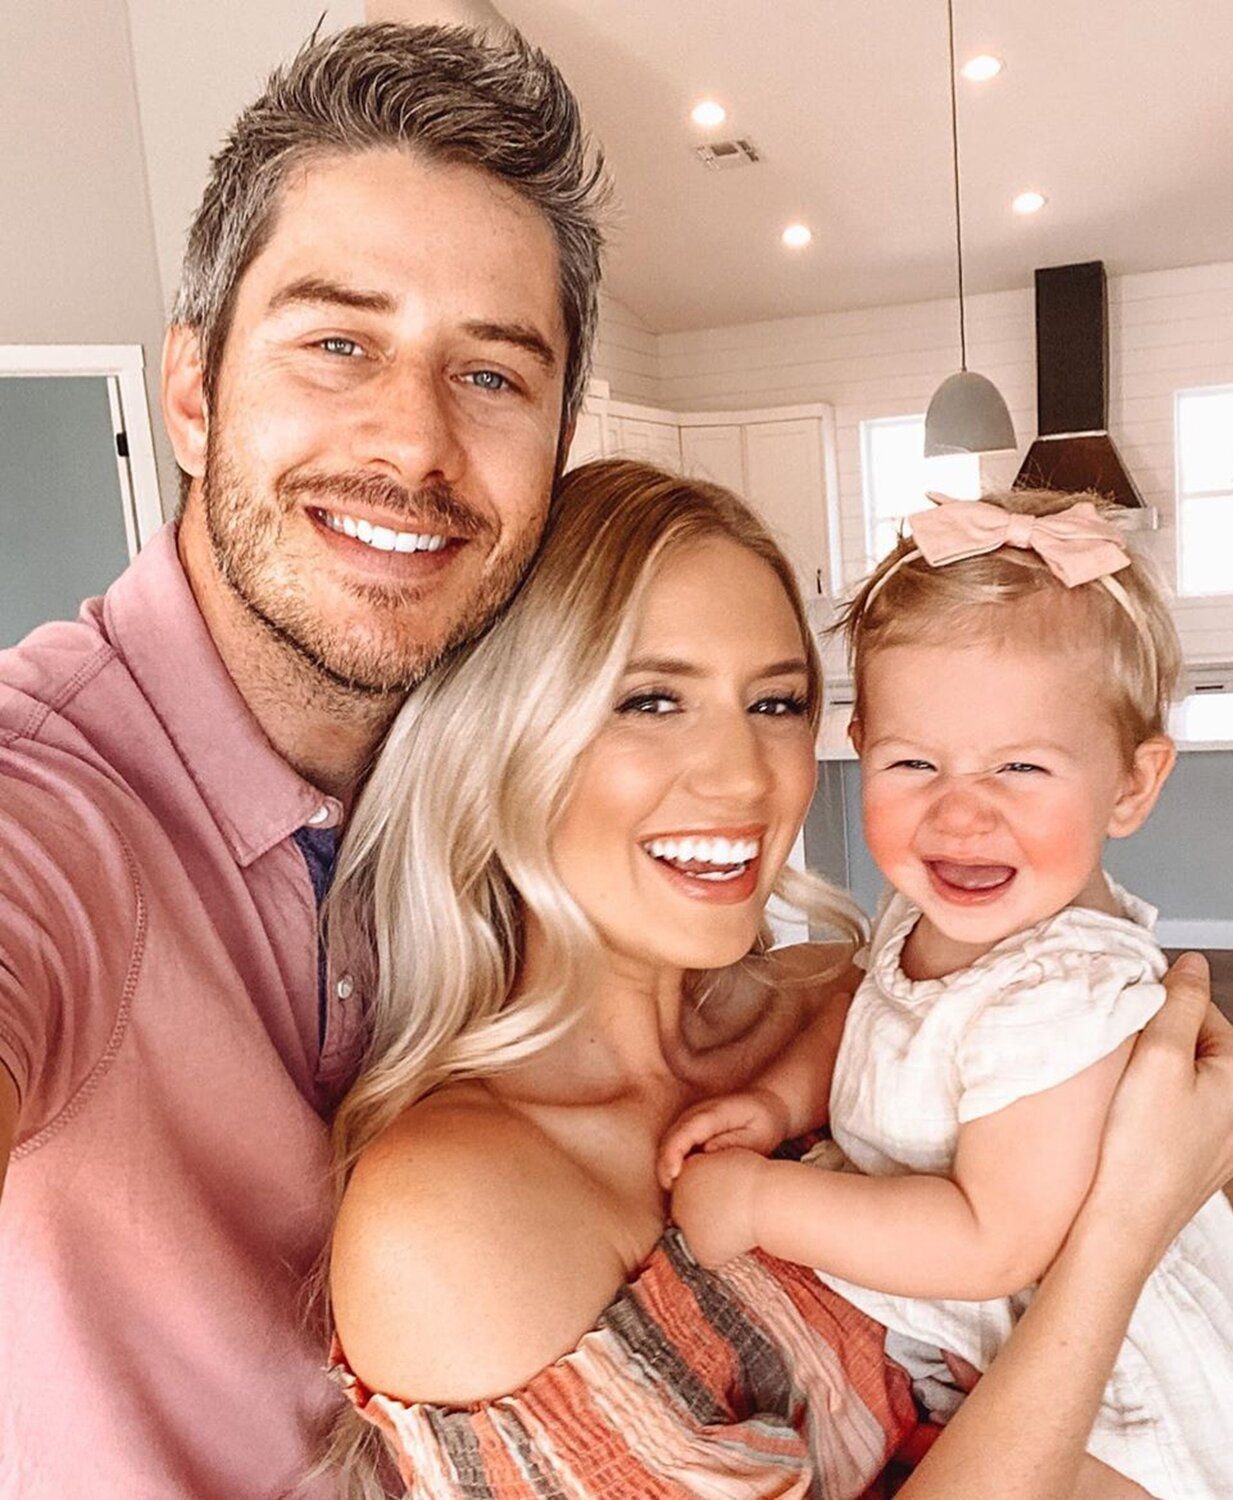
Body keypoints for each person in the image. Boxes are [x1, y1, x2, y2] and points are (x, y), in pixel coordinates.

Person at [326, 461, 1233, 1500]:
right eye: (649, 700)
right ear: (492, 739)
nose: (744, 775)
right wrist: (1123, 1229)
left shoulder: (846, 992)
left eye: (775, 703)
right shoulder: (448, 1222)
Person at [0, 24, 607, 1498]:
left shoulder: (523, 795)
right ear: (192, 395)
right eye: (338, 344)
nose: (414, 446)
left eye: (492, 376)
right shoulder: (46, 801)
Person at [658, 488, 1233, 1500]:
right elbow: (870, 1009)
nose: (959, 814)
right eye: (914, 763)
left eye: (1019, 767)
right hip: (982, 1332)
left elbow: (990, 1238)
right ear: (861, 747)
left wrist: (760, 1199)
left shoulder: (1057, 990)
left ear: (1129, 785)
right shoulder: (930, 911)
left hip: (1096, 1380)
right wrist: (776, 1101)